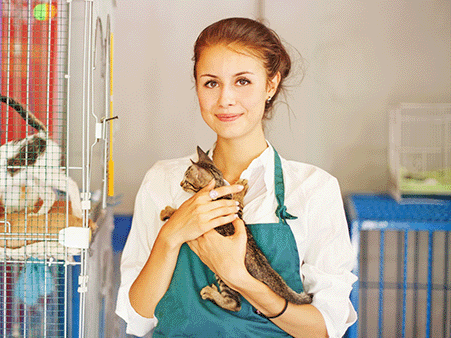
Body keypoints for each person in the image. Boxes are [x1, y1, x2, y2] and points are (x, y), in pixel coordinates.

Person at [116, 17, 357, 338]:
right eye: (211, 83)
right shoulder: (163, 180)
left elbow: (325, 328)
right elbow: (138, 316)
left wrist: (238, 277)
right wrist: (170, 236)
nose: (225, 99)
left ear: (271, 84)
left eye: (243, 81)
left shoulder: (314, 189)